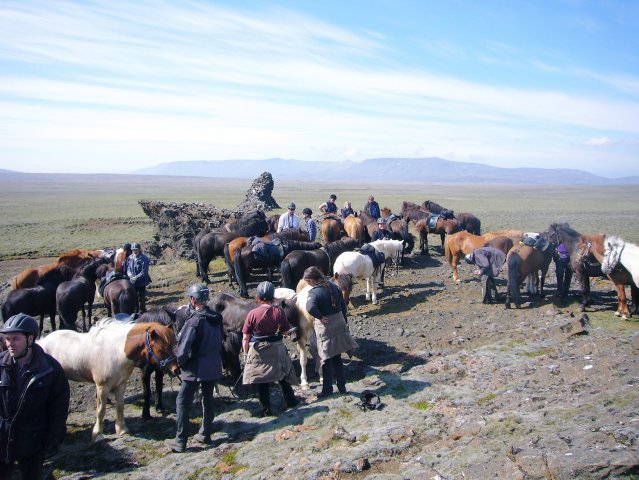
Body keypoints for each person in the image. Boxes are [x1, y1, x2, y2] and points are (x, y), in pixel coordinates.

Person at [0, 314, 70, 479]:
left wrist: (56, 435)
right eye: (7, 339)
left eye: (15, 339)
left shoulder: (50, 369)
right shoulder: (1, 365)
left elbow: (59, 404)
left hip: (33, 442)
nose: (10, 344)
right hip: (2, 439)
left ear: (30, 339)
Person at [165, 284, 224, 452]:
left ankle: (180, 441)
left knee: (182, 401)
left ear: (192, 299)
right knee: (208, 399)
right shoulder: (216, 317)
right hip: (213, 365)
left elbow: (183, 350)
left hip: (195, 369)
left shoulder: (194, 321)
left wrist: (179, 361)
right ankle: (205, 434)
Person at [242, 281, 300, 416]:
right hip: (276, 348)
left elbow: (246, 337)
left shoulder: (252, 313)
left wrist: (245, 354)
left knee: (262, 380)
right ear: (272, 296)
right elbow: (286, 332)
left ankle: (265, 410)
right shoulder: (278, 311)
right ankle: (291, 401)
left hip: (258, 350)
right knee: (282, 376)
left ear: (258, 296)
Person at [303, 266, 358, 398]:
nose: (307, 284)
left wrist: (320, 316)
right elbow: (343, 306)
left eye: (307, 281)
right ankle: (342, 386)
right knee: (337, 357)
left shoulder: (314, 292)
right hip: (338, 323)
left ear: (312, 280)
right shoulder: (333, 286)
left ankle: (327, 389)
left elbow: (310, 307)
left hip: (326, 327)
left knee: (326, 358)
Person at [126, 242, 151, 313]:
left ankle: (142, 310)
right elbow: (128, 268)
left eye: (136, 250)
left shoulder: (144, 259)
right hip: (133, 281)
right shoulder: (130, 257)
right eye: (133, 250)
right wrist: (129, 274)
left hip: (141, 281)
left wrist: (136, 277)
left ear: (139, 250)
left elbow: (144, 271)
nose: (135, 251)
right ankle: (135, 310)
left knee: (141, 297)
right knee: (134, 296)